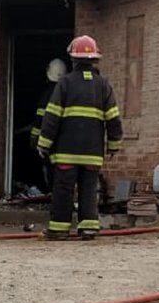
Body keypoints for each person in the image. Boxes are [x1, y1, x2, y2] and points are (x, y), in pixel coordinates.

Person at [37, 35, 123, 240]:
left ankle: (59, 229)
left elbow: (52, 117)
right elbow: (113, 118)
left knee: (63, 190)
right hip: (92, 153)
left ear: (73, 60)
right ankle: (89, 228)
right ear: (95, 60)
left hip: (66, 152)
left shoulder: (65, 84)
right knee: (89, 189)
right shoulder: (103, 85)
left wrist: (44, 144)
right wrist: (113, 145)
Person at [29, 58, 67, 190]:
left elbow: (40, 121)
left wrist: (34, 140)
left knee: (50, 168)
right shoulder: (68, 93)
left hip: (49, 141)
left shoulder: (46, 95)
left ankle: (51, 193)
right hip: (66, 142)